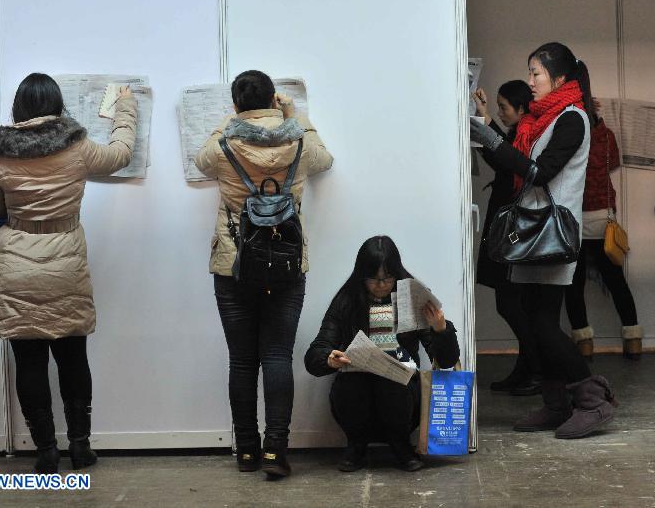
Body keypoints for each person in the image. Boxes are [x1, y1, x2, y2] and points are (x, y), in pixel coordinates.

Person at [0, 73, 138, 473]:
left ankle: (46, 452)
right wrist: (125, 106)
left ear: (19, 106)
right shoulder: (79, 148)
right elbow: (121, 153)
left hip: (14, 263)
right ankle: (81, 448)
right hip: (65, 262)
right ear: (57, 105)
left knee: (29, 363)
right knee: (72, 359)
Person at [470, 42, 618, 439]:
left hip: (551, 233)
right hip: (532, 232)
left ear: (560, 79)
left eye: (536, 73)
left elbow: (539, 172)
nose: (531, 81)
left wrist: (487, 136)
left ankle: (593, 400)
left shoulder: (572, 118)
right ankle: (557, 404)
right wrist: (489, 133)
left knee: (545, 327)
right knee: (538, 325)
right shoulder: (542, 118)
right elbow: (517, 160)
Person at [195, 70, 333, 479]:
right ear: (274, 99)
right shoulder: (300, 140)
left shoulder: (224, 143)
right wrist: (297, 115)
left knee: (242, 361)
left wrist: (229, 119)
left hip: (233, 264)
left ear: (236, 103)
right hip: (287, 264)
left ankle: (247, 452)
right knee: (277, 356)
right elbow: (326, 160)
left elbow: (201, 161)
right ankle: (276, 451)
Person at [304, 236, 460, 472]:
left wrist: (441, 330)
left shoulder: (413, 296)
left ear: (396, 274)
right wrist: (328, 358)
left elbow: (447, 361)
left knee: (392, 377)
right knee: (353, 379)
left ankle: (400, 444)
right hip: (356, 394)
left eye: (387, 278)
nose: (381, 285)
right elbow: (315, 353)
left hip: (402, 397)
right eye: (373, 280)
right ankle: (356, 445)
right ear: (361, 276)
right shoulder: (347, 300)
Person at [473, 81, 542, 394]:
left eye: (504, 107)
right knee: (513, 303)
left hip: (515, 230)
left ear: (521, 108)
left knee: (513, 303)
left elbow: (508, 157)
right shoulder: (520, 132)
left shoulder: (529, 134)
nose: (502, 112)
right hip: (507, 226)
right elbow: (502, 159)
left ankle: (537, 367)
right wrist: (485, 117)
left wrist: (486, 122)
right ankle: (527, 368)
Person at [563, 111, 643, 360]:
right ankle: (633, 340)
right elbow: (614, 163)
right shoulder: (605, 137)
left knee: (574, 285)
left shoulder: (568, 136)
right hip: (601, 216)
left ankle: (584, 344)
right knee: (616, 280)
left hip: (574, 215)